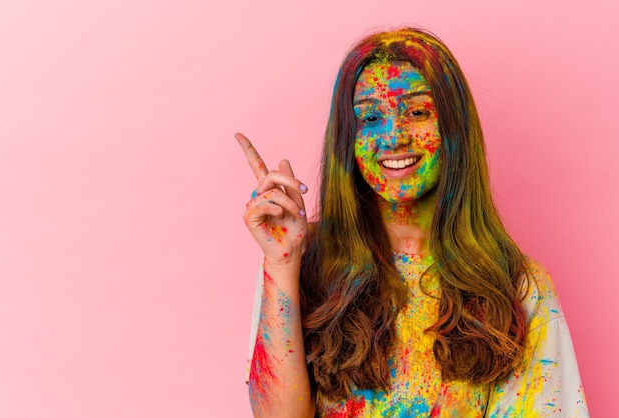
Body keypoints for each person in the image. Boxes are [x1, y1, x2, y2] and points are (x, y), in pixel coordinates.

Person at [236, 27, 589, 417]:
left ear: (453, 126)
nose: (393, 136)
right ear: (348, 139)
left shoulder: (517, 286)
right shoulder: (302, 262)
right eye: (370, 116)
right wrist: (282, 264)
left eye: (417, 112)